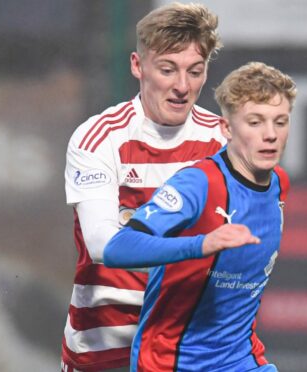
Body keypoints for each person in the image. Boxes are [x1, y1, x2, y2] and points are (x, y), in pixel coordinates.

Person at [104, 62, 297, 372]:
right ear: (227, 129)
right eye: (255, 122)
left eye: (280, 121)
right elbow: (118, 248)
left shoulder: (279, 184)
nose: (270, 135)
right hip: (171, 362)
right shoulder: (198, 184)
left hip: (241, 361)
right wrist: (201, 244)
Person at [62, 3, 225, 371]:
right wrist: (200, 246)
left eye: (194, 71)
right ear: (138, 66)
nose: (182, 86)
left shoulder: (223, 143)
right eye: (168, 70)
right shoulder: (99, 138)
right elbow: (103, 246)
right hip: (106, 349)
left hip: (190, 349)